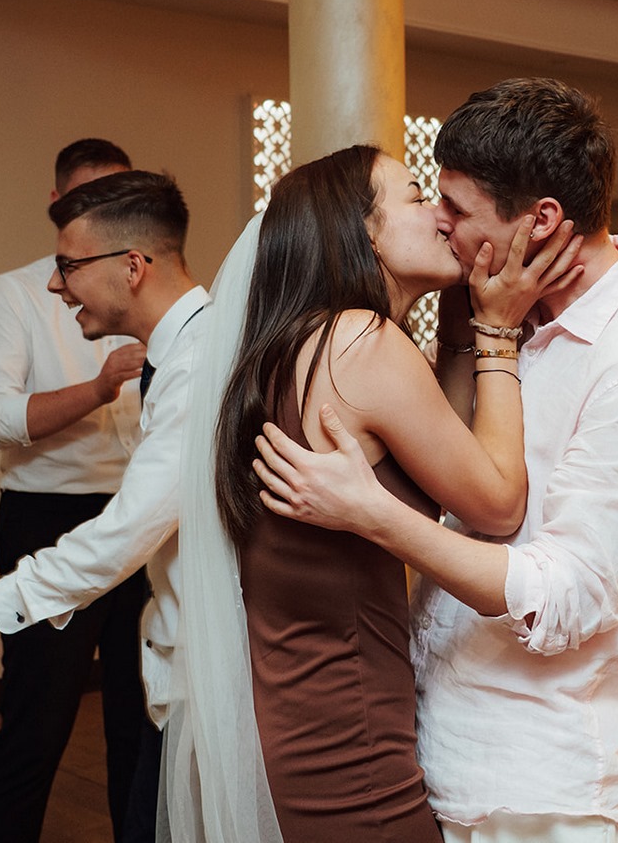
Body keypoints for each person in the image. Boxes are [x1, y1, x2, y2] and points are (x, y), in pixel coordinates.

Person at [254, 79, 618, 843]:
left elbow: (566, 595)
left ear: (541, 221)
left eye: (456, 208)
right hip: (434, 739)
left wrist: (372, 514)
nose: (440, 220)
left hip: (535, 783)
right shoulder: (502, 314)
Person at [210, 144, 579, 843]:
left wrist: (462, 329)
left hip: (305, 708)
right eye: (415, 196)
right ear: (361, 231)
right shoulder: (361, 342)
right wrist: (499, 331)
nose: (441, 215)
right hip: (346, 732)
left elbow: (443, 459)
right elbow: (496, 502)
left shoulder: (305, 343)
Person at [0, 168, 206, 841]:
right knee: (38, 730)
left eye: (68, 266)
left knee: (144, 752)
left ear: (132, 265)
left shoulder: (195, 361)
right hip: (56, 524)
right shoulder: (180, 343)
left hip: (145, 564)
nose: (53, 283)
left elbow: (133, 523)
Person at [0, 138, 153, 843]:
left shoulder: (154, 293)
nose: (103, 210)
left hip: (145, 521)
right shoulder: (17, 293)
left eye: (118, 196)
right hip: (48, 520)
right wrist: (97, 389)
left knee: (145, 721)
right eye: (86, 198)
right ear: (56, 204)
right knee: (36, 727)